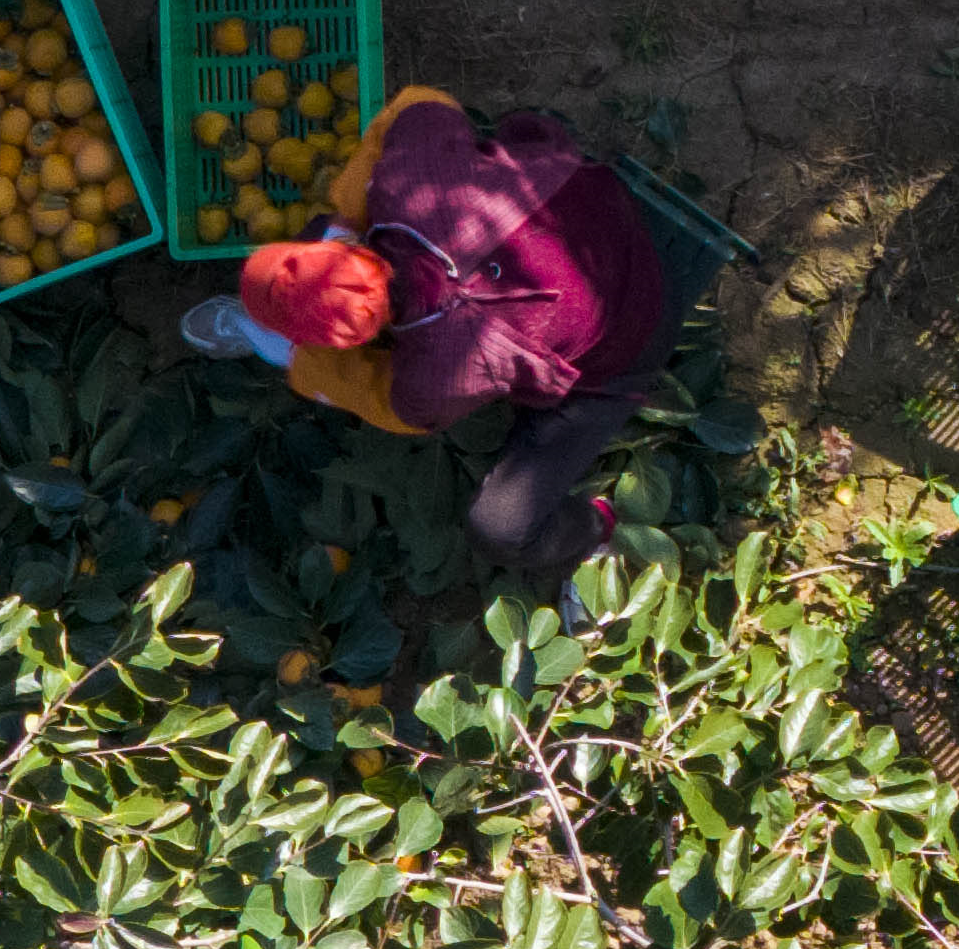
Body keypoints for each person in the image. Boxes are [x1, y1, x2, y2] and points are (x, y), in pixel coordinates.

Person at [173, 83, 683, 591]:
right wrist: (353, 205)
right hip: (598, 211)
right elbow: (422, 101)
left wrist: (303, 366)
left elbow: (381, 401)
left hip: (630, 341)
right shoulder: (407, 185)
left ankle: (595, 525)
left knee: (502, 530)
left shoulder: (429, 380)